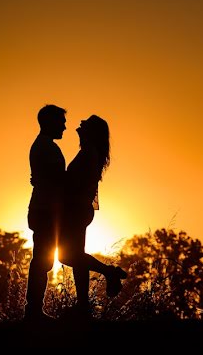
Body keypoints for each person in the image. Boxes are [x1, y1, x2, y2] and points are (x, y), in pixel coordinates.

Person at [58, 114, 128, 319]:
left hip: (76, 210)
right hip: (78, 209)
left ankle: (108, 273)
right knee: (77, 257)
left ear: (92, 132)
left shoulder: (89, 153)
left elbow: (76, 182)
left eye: (85, 123)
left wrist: (56, 178)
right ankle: (82, 306)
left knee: (67, 256)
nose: (80, 124)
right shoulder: (89, 152)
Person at [24, 104, 67, 322]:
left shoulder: (44, 146)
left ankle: (33, 310)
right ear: (50, 122)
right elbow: (59, 180)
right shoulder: (46, 147)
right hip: (45, 211)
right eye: (61, 122)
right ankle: (33, 311)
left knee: (44, 260)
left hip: (45, 210)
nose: (65, 127)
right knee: (42, 261)